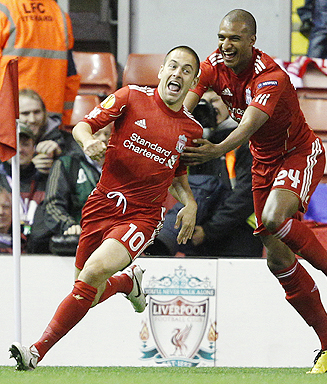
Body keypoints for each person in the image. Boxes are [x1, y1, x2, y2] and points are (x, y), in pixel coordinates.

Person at [181, 9, 327, 374]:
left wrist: (216, 149)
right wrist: (172, 131)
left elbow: (248, 126)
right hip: (263, 165)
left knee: (273, 218)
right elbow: (185, 106)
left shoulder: (271, 77)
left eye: (234, 38)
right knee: (277, 260)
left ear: (252, 41)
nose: (225, 45)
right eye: (221, 37)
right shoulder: (214, 64)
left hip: (298, 154)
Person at [9, 45, 203, 370]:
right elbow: (82, 127)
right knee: (87, 290)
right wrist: (89, 143)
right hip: (101, 205)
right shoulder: (130, 97)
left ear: (193, 81)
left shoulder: (192, 130)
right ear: (161, 71)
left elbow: (176, 174)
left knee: (94, 273)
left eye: (186, 70)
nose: (177, 73)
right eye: (173, 65)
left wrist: (191, 203)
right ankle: (129, 284)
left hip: (142, 216)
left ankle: (35, 352)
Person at [147, 90, 263, 257]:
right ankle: (162, 239)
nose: (208, 107)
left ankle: (166, 235)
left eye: (214, 101)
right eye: (202, 103)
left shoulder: (246, 141)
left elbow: (247, 194)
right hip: (198, 236)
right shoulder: (193, 145)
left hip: (239, 235)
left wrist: (210, 230)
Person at [28, 125, 111, 254]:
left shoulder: (124, 167)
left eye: (108, 134)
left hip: (114, 240)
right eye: (97, 134)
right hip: (76, 243)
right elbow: (52, 205)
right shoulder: (67, 164)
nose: (103, 138)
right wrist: (68, 225)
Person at [0, 0, 80, 125]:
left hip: (9, 113)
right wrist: (65, 120)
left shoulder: (3, 9)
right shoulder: (59, 13)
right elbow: (71, 76)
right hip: (50, 117)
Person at [0, 123, 48, 238]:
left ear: (34, 148)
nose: (20, 150)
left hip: (40, 249)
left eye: (25, 144)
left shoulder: (48, 180)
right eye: (14, 144)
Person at [19, 89, 73, 174]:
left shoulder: (65, 139)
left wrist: (59, 156)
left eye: (37, 112)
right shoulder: (4, 143)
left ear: (45, 113)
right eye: (25, 113)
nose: (32, 119)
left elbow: (81, 168)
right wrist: (28, 167)